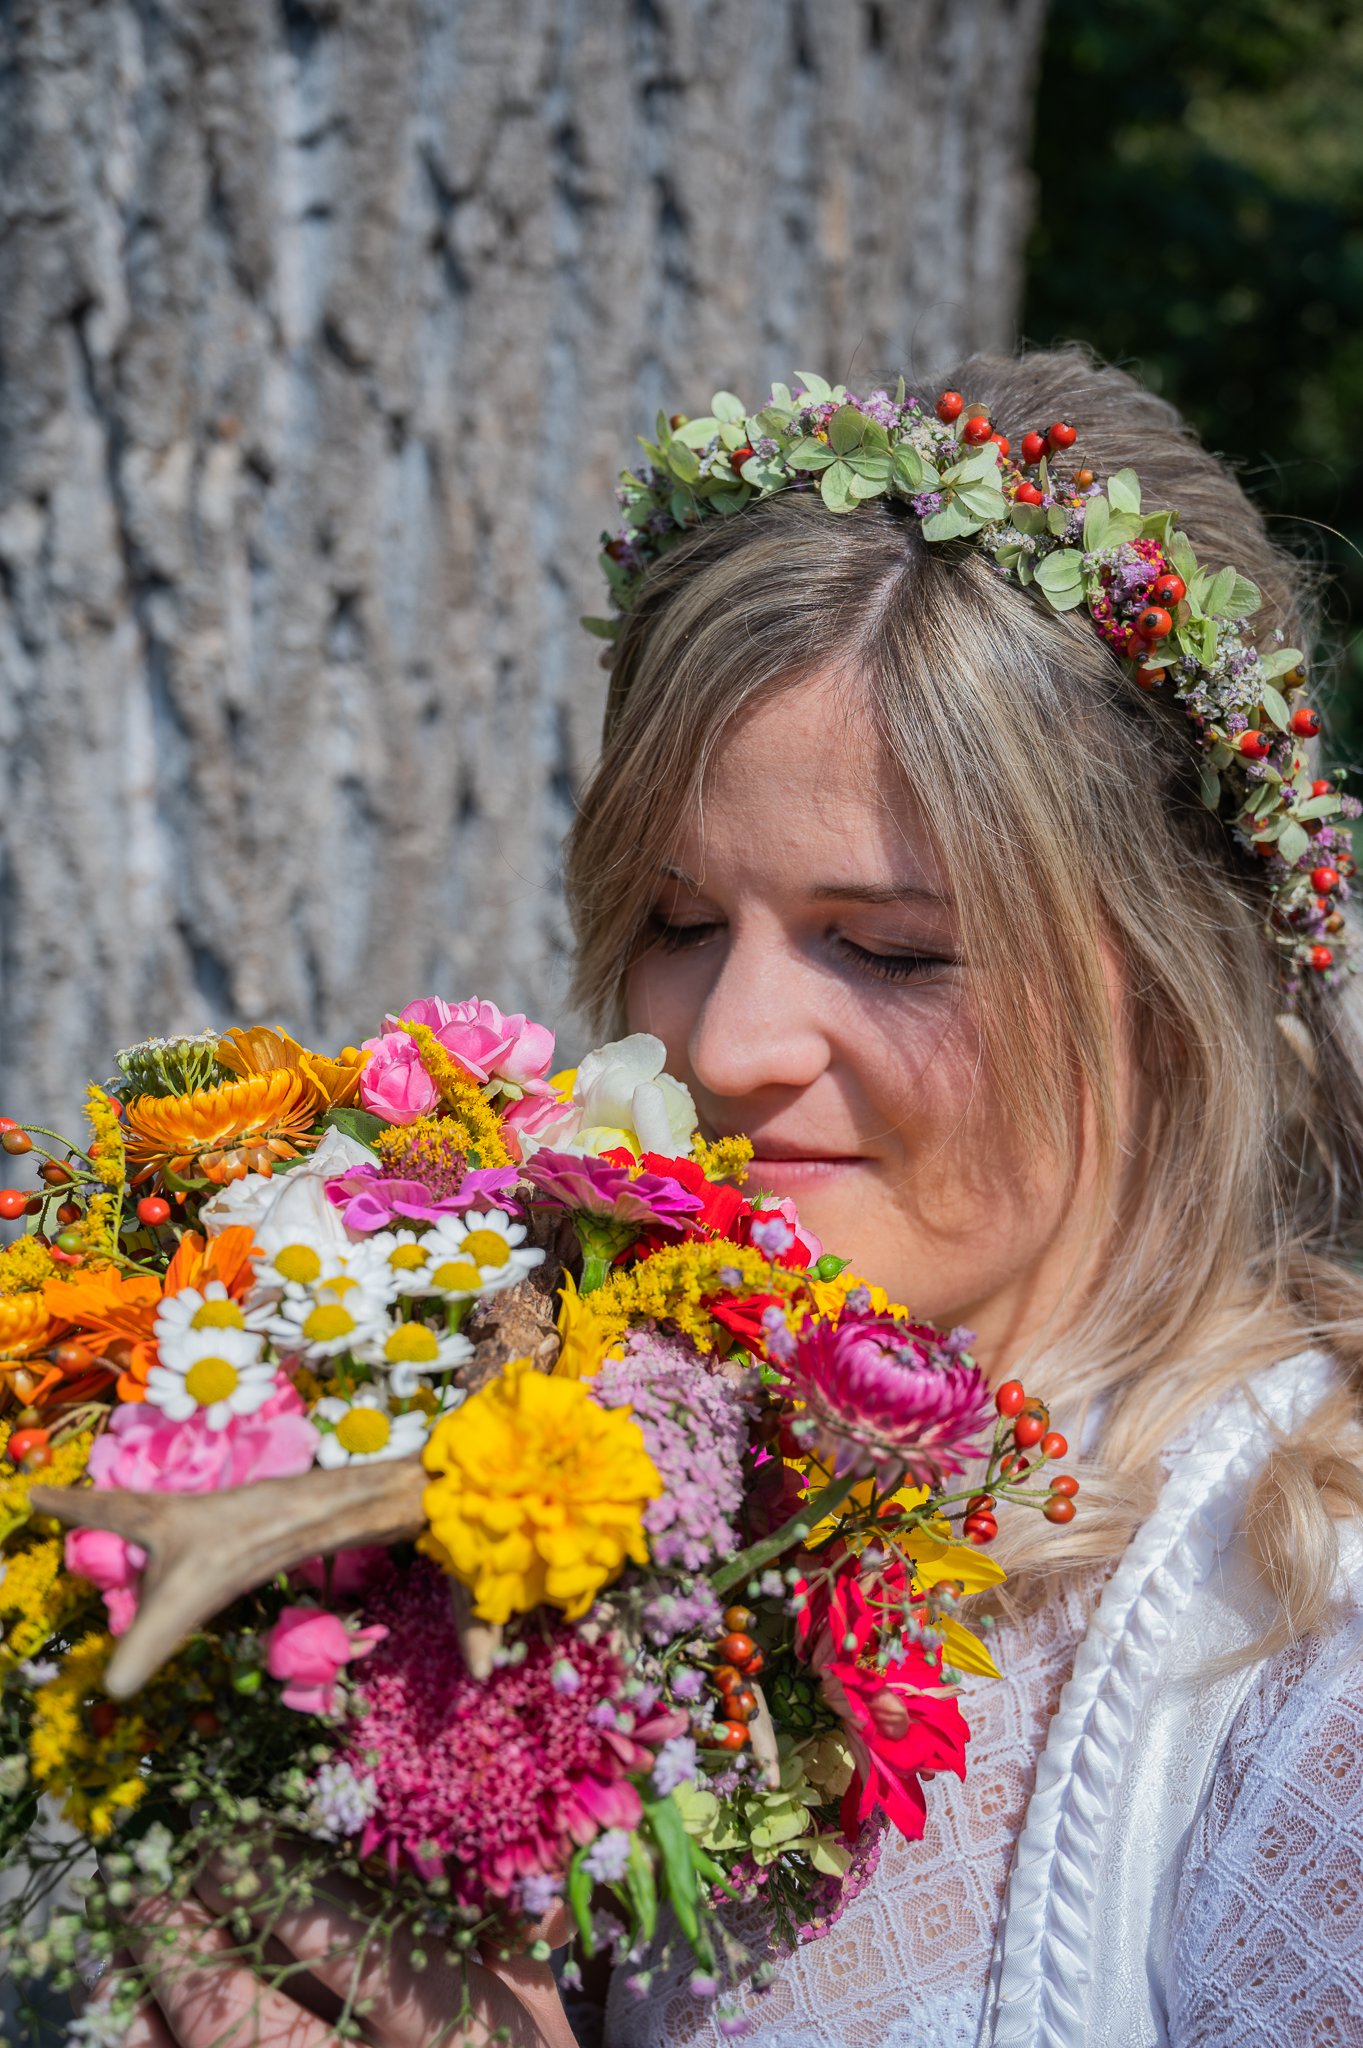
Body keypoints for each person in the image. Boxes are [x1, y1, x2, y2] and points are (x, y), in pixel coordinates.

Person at [124, 348, 1363, 2046]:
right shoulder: (556, 1488)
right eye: (678, 919)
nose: (728, 1042)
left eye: (890, 949)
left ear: (1166, 981)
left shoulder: (1297, 1635)